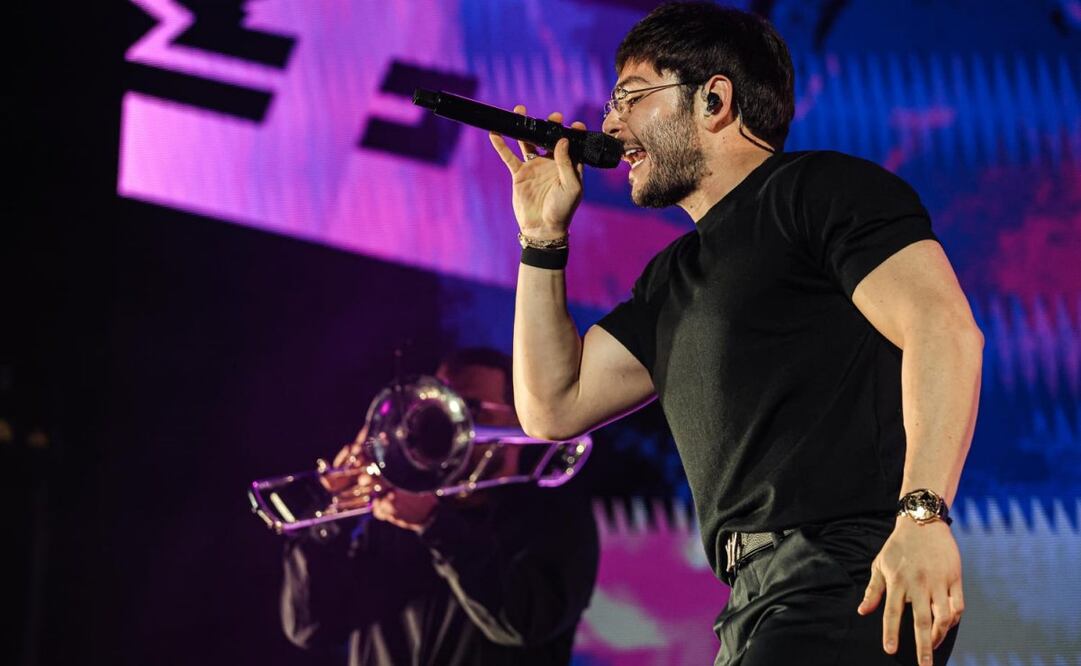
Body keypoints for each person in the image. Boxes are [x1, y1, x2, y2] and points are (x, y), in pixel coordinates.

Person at [488, 3, 982, 665]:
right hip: (754, 600)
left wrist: (922, 517)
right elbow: (552, 406)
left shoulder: (816, 190)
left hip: (847, 571)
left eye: (630, 98)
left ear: (713, 99)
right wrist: (541, 239)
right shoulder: (672, 276)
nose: (607, 124)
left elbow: (943, 328)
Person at [280, 348, 599, 666]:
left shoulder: (555, 517)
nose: (451, 426)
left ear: (518, 417)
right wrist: (334, 511)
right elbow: (311, 628)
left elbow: (522, 623)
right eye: (442, 408)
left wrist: (434, 525)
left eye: (471, 409)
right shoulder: (396, 516)